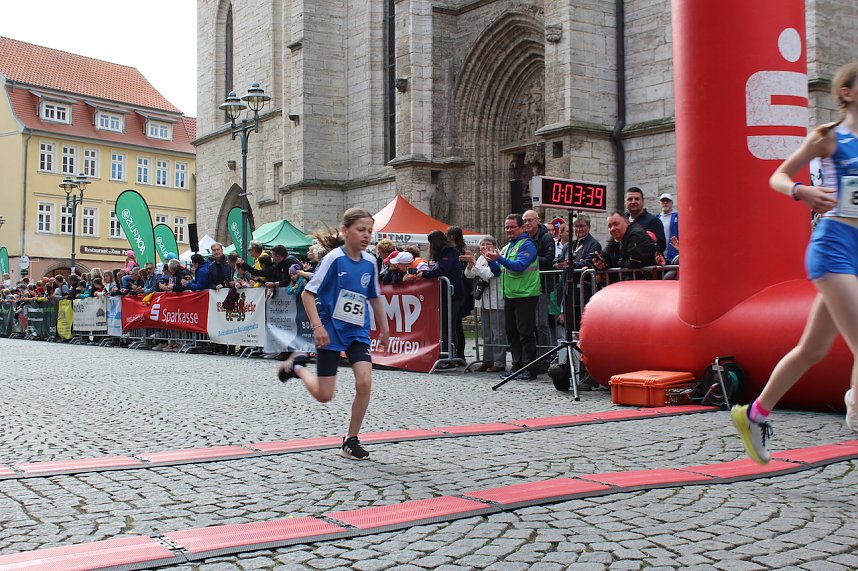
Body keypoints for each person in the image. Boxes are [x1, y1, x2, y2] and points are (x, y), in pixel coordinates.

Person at [732, 62, 858, 464]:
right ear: (847, 94)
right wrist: (802, 190)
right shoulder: (829, 138)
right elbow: (779, 176)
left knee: (812, 349)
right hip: (833, 246)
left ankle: (754, 413)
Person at [278, 208, 390, 461]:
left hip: (357, 332)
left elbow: (374, 297)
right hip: (330, 331)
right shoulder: (333, 259)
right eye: (361, 230)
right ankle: (297, 368)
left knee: (364, 381)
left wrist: (384, 328)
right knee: (324, 395)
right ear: (345, 230)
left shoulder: (370, 261)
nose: (366, 235)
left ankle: (351, 440)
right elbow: (308, 294)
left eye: (369, 231)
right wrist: (318, 327)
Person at [484, 213, 540, 381]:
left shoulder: (527, 245)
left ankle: (530, 368)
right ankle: (517, 366)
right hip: (510, 295)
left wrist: (499, 258)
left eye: (512, 227)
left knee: (525, 333)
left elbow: (519, 267)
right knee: (512, 333)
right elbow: (497, 272)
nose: (508, 230)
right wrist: (490, 260)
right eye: (506, 227)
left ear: (521, 228)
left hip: (526, 294)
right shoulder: (508, 247)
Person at [421, 230, 467, 365]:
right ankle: (448, 354)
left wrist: (425, 275)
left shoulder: (448, 252)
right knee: (447, 325)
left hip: (453, 294)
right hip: (446, 294)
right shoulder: (444, 252)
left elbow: (443, 270)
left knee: (448, 326)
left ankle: (450, 356)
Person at [463, 237, 507, 373]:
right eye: (482, 244)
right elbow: (469, 275)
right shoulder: (481, 258)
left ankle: (499, 362)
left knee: (498, 333)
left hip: (496, 298)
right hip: (484, 300)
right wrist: (470, 264)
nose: (485, 246)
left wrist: (474, 263)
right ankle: (487, 360)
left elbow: (488, 274)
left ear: (494, 245)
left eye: (488, 244)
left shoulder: (497, 256)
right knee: (486, 332)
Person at [522, 210, 557, 355]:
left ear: (538, 220)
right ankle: (533, 355)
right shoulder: (524, 238)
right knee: (529, 323)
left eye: (530, 220)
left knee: (541, 322)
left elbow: (549, 260)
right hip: (528, 284)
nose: (527, 223)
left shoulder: (546, 237)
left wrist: (530, 257)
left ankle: (545, 355)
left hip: (542, 284)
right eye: (525, 221)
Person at [592, 212, 657, 281]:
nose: (612, 229)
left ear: (627, 222)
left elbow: (636, 262)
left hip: (642, 283)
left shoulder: (636, 234)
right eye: (610, 226)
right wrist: (599, 264)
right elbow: (605, 256)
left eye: (616, 224)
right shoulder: (615, 239)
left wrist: (621, 262)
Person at [625, 187, 666, 254]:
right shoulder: (622, 221)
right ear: (625, 202)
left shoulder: (653, 221)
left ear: (643, 201)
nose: (633, 201)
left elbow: (661, 247)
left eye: (637, 199)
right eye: (630, 199)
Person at [658, 193, 680, 261]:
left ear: (672, 203)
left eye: (667, 201)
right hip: (661, 255)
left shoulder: (678, 216)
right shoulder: (657, 218)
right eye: (663, 201)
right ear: (659, 203)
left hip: (674, 253)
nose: (665, 203)